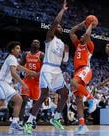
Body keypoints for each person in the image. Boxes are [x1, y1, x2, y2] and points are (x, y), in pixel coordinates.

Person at [24, 0, 69, 134]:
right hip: (47, 68)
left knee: (65, 94)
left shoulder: (62, 44)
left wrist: (67, 53)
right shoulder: (50, 38)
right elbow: (55, 23)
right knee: (43, 95)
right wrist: (62, 10)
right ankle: (29, 121)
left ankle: (55, 118)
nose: (59, 27)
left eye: (61, 27)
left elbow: (65, 62)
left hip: (57, 69)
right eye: (58, 27)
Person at [0, 41, 37, 134]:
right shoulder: (11, 58)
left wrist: (31, 72)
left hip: (5, 84)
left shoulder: (13, 59)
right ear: (12, 50)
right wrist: (23, 84)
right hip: (1, 83)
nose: (19, 50)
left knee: (19, 100)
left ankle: (14, 123)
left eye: (19, 48)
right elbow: (13, 73)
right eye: (17, 48)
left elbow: (19, 67)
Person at [69, 20, 98, 134]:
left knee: (73, 82)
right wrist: (82, 23)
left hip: (85, 69)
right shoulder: (78, 45)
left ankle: (91, 99)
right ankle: (82, 125)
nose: (81, 37)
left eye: (83, 36)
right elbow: (71, 32)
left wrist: (90, 24)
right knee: (78, 100)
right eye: (80, 36)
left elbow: (87, 35)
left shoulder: (89, 46)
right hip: (77, 71)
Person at [19, 39, 44, 127]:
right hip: (27, 81)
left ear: (39, 46)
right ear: (31, 44)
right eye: (34, 42)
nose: (36, 43)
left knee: (35, 103)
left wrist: (36, 74)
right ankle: (20, 122)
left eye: (38, 42)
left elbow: (45, 69)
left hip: (37, 82)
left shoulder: (41, 55)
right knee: (23, 100)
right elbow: (20, 66)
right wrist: (24, 72)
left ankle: (32, 119)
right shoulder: (26, 54)